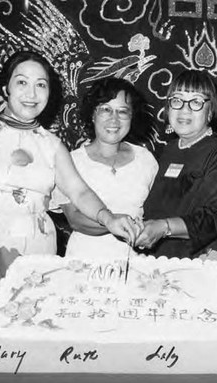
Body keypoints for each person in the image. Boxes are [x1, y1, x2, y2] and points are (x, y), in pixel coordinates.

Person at [0, 51, 137, 282]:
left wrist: (109, 219)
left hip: (40, 254)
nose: (32, 93)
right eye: (21, 83)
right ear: (6, 89)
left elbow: (80, 192)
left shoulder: (53, 145)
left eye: (41, 85)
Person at [136, 70, 217, 271]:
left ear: (210, 110)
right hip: (166, 262)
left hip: (205, 263)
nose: (184, 110)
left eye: (196, 102)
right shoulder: (169, 150)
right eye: (177, 100)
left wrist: (164, 227)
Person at [51, 77, 158, 259]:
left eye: (123, 112)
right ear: (93, 114)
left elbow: (157, 212)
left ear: (132, 117)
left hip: (136, 263)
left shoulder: (145, 159)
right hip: (84, 262)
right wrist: (114, 224)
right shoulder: (71, 161)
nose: (114, 119)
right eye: (106, 110)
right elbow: (75, 220)